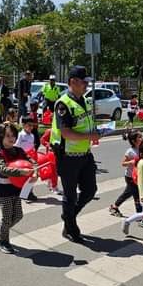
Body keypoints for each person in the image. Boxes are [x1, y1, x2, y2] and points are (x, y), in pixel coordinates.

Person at [50, 65, 99, 243]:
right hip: (68, 156)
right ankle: (71, 227)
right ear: (73, 82)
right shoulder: (63, 104)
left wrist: (95, 133)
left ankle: (68, 218)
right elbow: (66, 133)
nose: (86, 85)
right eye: (83, 82)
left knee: (90, 190)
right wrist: (89, 135)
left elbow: (87, 123)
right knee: (70, 196)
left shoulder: (84, 100)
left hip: (84, 154)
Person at [0, 122, 37, 254]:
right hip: (3, 190)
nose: (11, 138)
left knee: (18, 215)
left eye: (13, 135)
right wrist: (21, 172)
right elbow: (2, 169)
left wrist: (34, 170)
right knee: (7, 217)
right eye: (8, 136)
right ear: (0, 137)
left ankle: (1, 228)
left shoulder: (19, 150)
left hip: (16, 189)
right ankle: (3, 241)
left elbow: (31, 161)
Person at [109, 130, 143, 218]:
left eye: (141, 136)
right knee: (137, 195)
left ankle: (114, 207)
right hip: (130, 176)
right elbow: (123, 163)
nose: (141, 138)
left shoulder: (142, 148)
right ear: (133, 140)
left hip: (139, 176)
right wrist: (131, 162)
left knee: (127, 193)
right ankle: (139, 215)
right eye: (139, 137)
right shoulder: (130, 151)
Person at [14, 116, 39, 202]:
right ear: (23, 125)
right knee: (25, 176)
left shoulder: (32, 135)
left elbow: (32, 146)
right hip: (23, 158)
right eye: (29, 125)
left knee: (32, 176)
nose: (31, 127)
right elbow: (16, 146)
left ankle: (29, 192)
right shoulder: (21, 135)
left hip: (31, 158)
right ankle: (25, 194)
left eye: (32, 125)